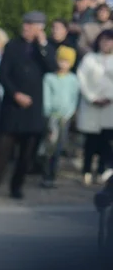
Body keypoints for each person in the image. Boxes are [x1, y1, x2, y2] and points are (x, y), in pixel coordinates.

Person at [0, 12, 56, 200]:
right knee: (2, 150)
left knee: (26, 153)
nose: (26, 28)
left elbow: (51, 67)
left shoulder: (45, 48)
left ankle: (17, 186)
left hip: (33, 108)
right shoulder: (13, 45)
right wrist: (15, 94)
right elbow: (3, 74)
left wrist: (43, 45)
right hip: (13, 105)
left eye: (31, 25)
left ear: (40, 28)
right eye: (25, 24)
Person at [76, 29, 113, 186]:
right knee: (90, 142)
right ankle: (86, 171)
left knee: (106, 142)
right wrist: (92, 97)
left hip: (110, 107)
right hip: (91, 105)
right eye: (103, 40)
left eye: (109, 40)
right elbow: (81, 79)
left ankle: (102, 170)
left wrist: (109, 98)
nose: (106, 43)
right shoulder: (90, 58)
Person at [41, 46, 80, 188]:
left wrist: (69, 113)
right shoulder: (49, 78)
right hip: (52, 117)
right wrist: (48, 113)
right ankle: (45, 174)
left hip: (65, 118)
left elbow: (74, 99)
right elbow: (46, 98)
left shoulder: (73, 79)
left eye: (67, 61)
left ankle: (53, 174)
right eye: (61, 60)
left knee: (59, 147)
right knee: (49, 146)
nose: (63, 64)